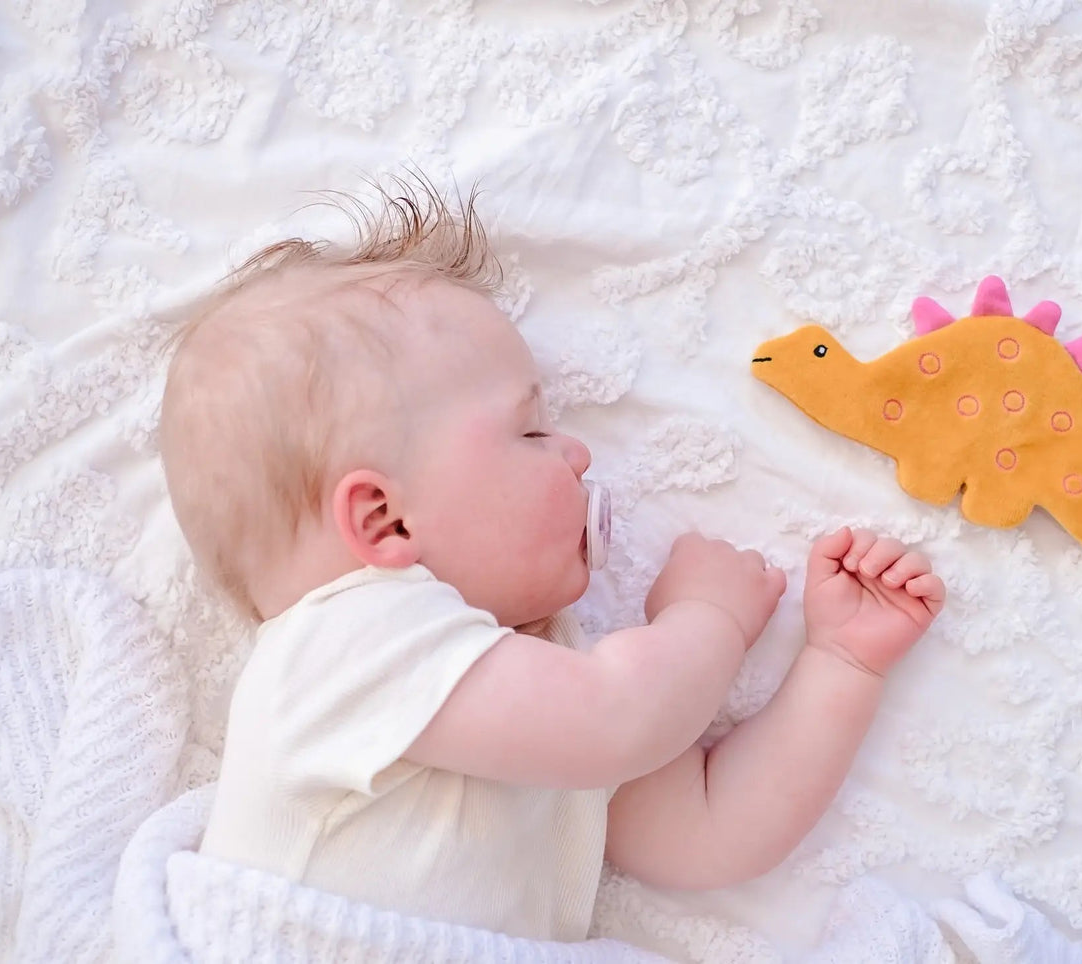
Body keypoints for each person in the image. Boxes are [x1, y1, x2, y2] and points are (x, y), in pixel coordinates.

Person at [157, 175, 946, 942]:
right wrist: (706, 617)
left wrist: (840, 665)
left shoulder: (545, 680)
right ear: (384, 519)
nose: (574, 454)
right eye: (530, 433)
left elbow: (703, 831)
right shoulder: (341, 642)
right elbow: (622, 717)